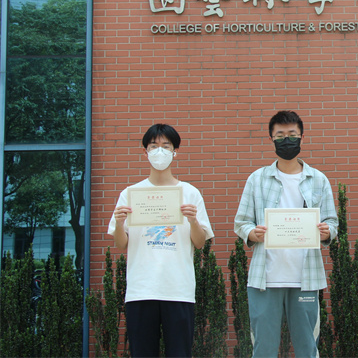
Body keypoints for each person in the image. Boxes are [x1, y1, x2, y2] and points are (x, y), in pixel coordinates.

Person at [234, 110, 339, 358]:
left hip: (306, 277)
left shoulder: (318, 179)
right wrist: (253, 233)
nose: (286, 140)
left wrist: (327, 232)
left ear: (302, 137)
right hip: (265, 278)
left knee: (307, 347)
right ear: (271, 139)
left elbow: (332, 221)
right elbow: (241, 222)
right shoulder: (257, 179)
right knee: (263, 348)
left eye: (292, 134)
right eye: (280, 135)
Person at [108, 124, 214, 357]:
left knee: (180, 353)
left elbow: (199, 243)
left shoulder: (190, 193)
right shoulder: (130, 193)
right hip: (141, 289)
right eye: (153, 146)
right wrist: (119, 222)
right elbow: (121, 244)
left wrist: (193, 221)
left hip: (178, 289)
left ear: (175, 152)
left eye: (166, 146)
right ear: (145, 151)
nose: (159, 151)